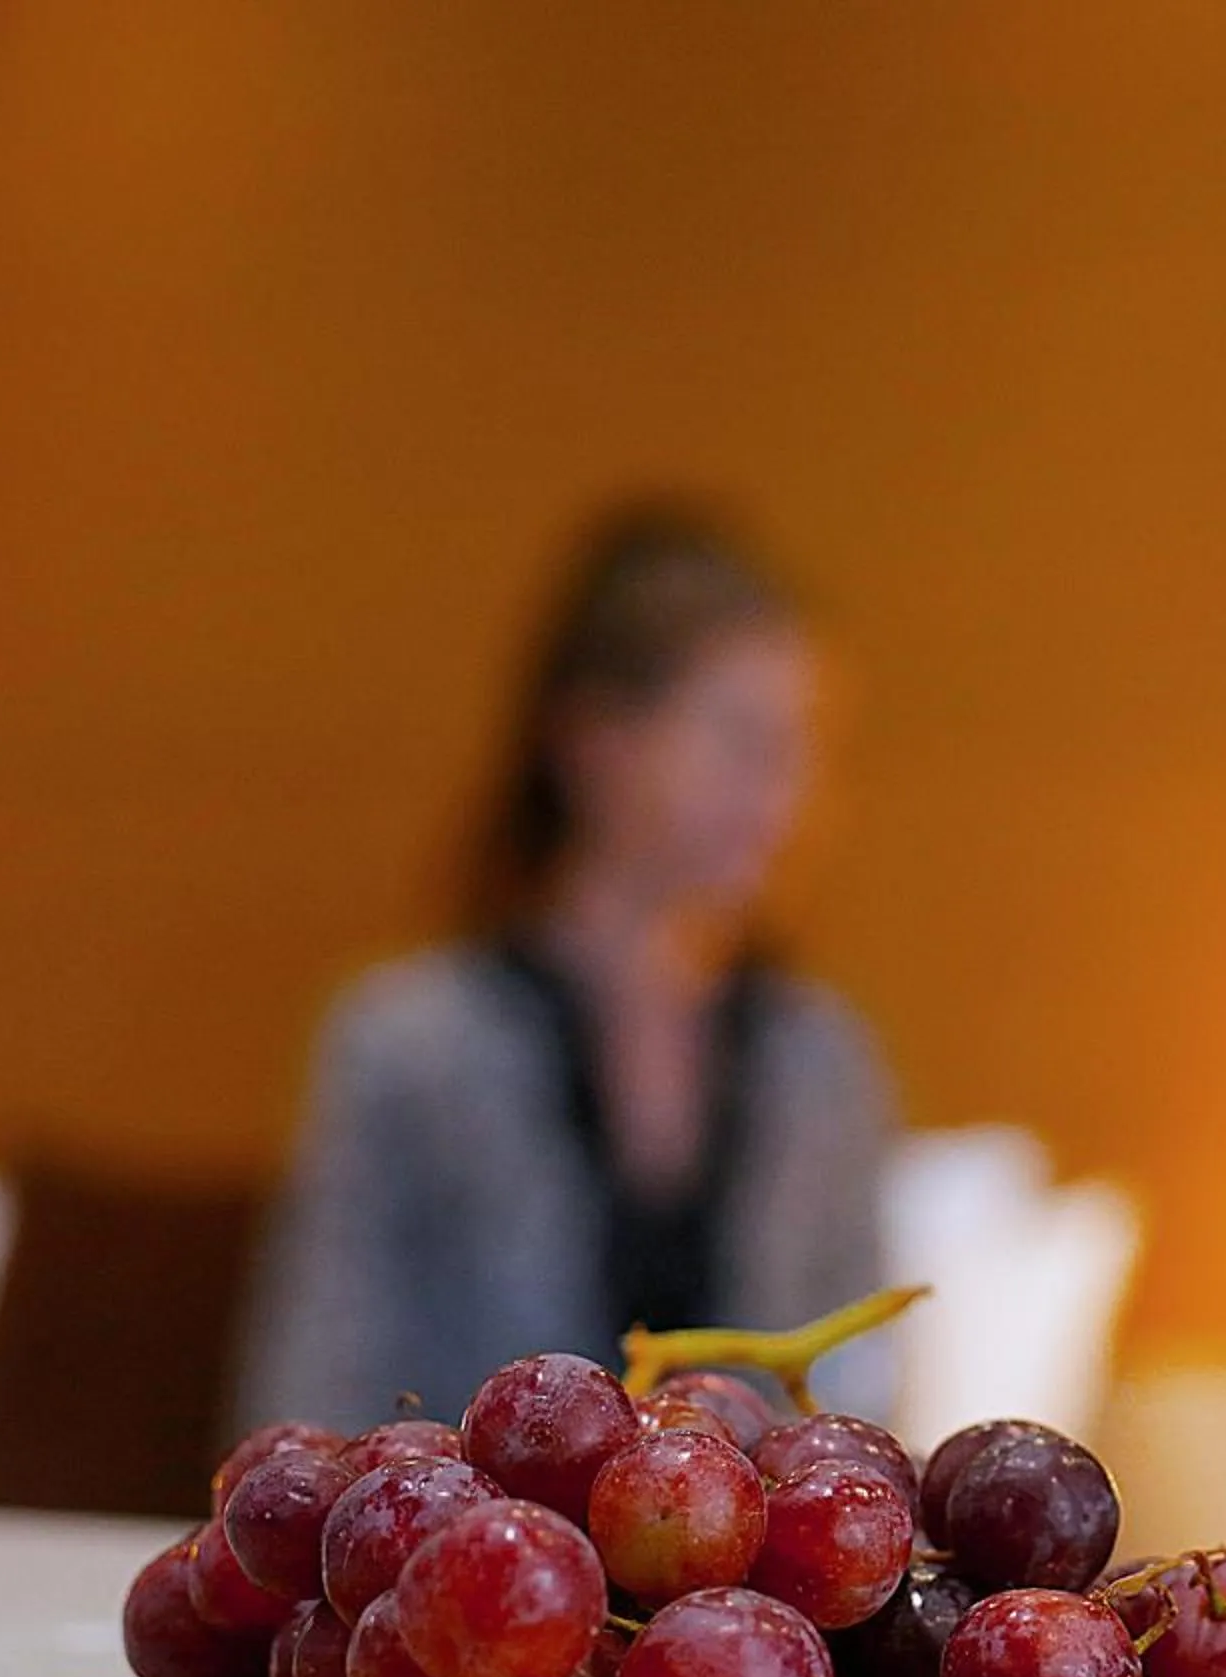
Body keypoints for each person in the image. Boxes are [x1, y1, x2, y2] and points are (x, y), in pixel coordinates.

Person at [236, 506, 896, 1435]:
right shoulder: (405, 1045)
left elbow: (860, 1396)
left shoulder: (820, 1058)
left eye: (805, 751)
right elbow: (313, 1388)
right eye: (745, 742)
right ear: (596, 742)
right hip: (468, 1558)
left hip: (742, 1566)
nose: (786, 795)